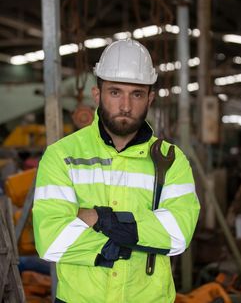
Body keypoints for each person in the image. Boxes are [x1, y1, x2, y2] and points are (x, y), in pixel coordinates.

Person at [32, 39, 200, 303]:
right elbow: (51, 238)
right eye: (115, 92)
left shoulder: (171, 161)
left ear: (150, 98)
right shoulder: (62, 156)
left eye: (136, 94)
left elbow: (177, 234)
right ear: (97, 95)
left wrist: (99, 219)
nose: (125, 105)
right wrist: (137, 240)